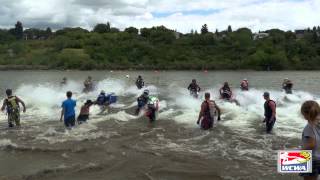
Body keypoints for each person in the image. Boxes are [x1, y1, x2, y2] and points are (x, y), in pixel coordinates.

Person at [300, 101, 320, 180]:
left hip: (310, 159)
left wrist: (299, 150)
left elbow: (312, 144)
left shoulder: (309, 127)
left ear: (305, 115)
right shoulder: (318, 124)